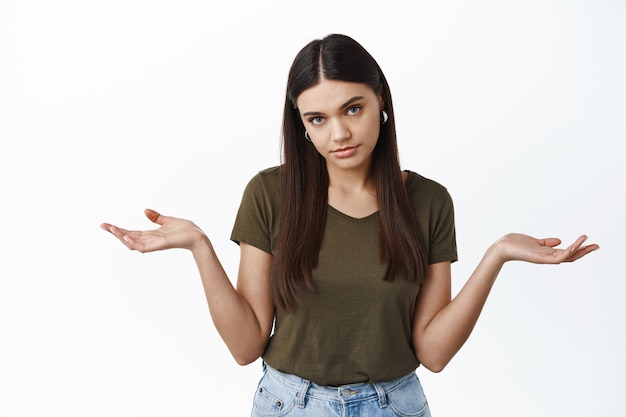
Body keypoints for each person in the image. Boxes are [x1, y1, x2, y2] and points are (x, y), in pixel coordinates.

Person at [100, 34, 599, 417]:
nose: (338, 133)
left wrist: (497, 255)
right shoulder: (270, 194)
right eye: (316, 119)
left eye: (353, 109)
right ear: (300, 123)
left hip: (395, 404)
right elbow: (246, 345)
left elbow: (434, 353)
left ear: (381, 102)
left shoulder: (428, 201)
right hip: (288, 403)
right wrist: (199, 246)